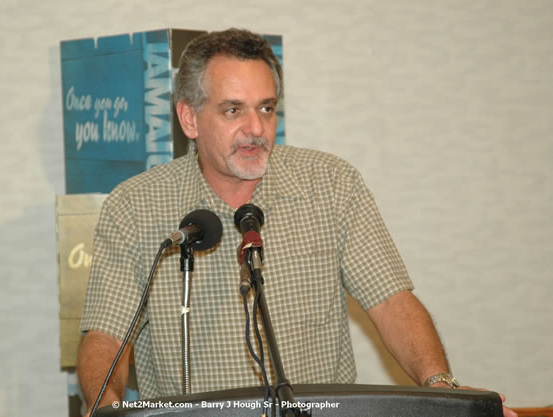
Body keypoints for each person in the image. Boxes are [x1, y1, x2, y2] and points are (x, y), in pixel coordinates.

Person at [77, 28, 516, 417]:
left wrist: (441, 390)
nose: (256, 128)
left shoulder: (330, 184)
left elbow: (392, 305)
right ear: (189, 117)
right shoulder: (135, 205)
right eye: (233, 110)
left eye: (266, 108)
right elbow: (106, 340)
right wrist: (109, 412)